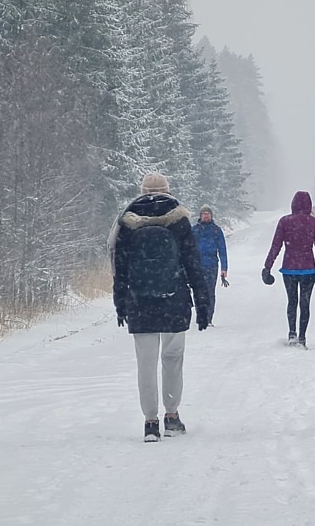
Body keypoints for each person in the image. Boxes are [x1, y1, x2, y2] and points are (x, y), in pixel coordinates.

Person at [112, 172, 209, 442]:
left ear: (141, 190)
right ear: (169, 189)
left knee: (145, 363)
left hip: (139, 302)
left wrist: (120, 303)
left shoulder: (127, 221)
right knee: (173, 359)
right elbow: (192, 263)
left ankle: (150, 422)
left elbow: (120, 268)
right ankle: (172, 416)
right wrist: (202, 302)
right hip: (174, 300)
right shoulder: (179, 220)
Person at [262, 191, 315, 348]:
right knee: (305, 303)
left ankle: (292, 333)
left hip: (289, 268)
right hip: (308, 269)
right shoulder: (314, 223)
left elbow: (276, 245)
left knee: (292, 301)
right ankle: (302, 336)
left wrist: (267, 266)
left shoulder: (285, 221)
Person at [192, 205, 228, 326]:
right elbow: (188, 248)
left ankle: (208, 318)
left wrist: (224, 268)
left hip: (212, 265)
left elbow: (222, 249)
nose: (206, 216)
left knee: (210, 292)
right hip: (197, 266)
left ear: (211, 216)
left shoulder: (216, 230)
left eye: (208, 213)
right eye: (204, 213)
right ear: (200, 216)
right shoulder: (194, 230)